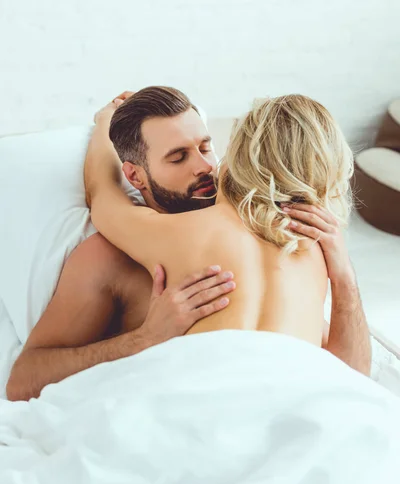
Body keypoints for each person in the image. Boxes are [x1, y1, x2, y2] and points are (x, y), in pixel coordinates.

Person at [6, 87, 370, 402]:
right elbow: (22, 381)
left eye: (207, 148)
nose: (204, 167)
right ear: (133, 174)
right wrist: (143, 340)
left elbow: (344, 380)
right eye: (178, 157)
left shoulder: (276, 238)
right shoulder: (109, 255)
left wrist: (346, 279)